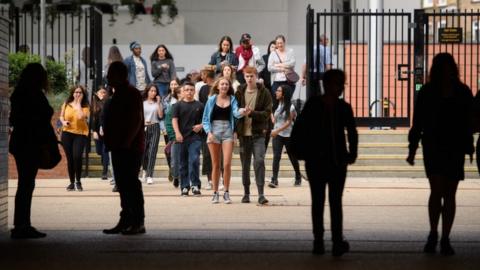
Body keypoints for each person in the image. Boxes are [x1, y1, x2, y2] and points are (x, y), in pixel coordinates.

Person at [406, 53, 474, 256]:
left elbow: (468, 121)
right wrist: (413, 147)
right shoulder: (458, 91)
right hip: (438, 146)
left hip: (446, 146)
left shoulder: (434, 92)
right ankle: (438, 235)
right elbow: (418, 122)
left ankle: (440, 235)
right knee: (440, 191)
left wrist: (413, 147)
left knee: (446, 192)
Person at [291, 69, 358, 256]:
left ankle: (329, 242)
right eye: (338, 83)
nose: (340, 88)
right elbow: (300, 128)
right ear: (327, 85)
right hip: (325, 161)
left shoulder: (335, 106)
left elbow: (352, 132)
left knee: (329, 201)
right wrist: (351, 153)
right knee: (324, 201)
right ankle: (322, 241)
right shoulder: (324, 105)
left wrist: (352, 153)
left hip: (329, 161)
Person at [102, 61, 146, 235]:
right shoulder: (117, 94)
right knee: (122, 184)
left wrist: (127, 141)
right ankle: (125, 219)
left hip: (130, 147)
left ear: (121, 75)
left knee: (131, 184)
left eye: (111, 73)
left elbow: (136, 120)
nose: (108, 77)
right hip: (118, 146)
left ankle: (138, 221)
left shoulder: (131, 93)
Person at [9, 63, 51, 239]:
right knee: (26, 184)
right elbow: (44, 113)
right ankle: (22, 225)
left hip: (21, 143)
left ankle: (22, 224)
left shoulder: (18, 93)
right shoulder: (34, 94)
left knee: (25, 184)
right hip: (30, 143)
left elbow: (14, 118)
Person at [202, 77, 245, 204]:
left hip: (227, 131)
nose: (224, 86)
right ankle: (215, 193)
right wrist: (208, 132)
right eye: (222, 84)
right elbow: (205, 119)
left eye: (227, 84)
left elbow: (236, 113)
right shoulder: (211, 99)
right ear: (217, 86)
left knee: (226, 164)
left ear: (229, 87)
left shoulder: (232, 99)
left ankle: (226, 192)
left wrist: (243, 111)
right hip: (213, 131)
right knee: (216, 164)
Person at [234, 66, 272, 205]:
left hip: (258, 134)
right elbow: (234, 112)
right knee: (245, 165)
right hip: (243, 135)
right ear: (244, 77)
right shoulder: (239, 92)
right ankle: (246, 193)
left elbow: (267, 113)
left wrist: (252, 113)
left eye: (252, 76)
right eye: (247, 76)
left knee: (259, 161)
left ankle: (261, 194)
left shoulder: (264, 92)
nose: (249, 79)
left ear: (256, 76)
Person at [172, 82, 205, 197]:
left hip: (195, 138)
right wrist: (177, 133)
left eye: (191, 90)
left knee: (194, 160)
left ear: (194, 91)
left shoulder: (200, 105)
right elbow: (174, 120)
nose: (189, 92)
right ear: (183, 92)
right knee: (183, 163)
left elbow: (205, 120)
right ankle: (184, 186)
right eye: (187, 90)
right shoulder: (177, 105)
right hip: (181, 138)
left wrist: (200, 126)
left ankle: (195, 185)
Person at [268, 84, 302, 188]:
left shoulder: (290, 107)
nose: (276, 92)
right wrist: (271, 114)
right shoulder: (277, 105)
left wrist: (276, 131)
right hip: (278, 135)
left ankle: (298, 175)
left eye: (278, 91)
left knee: (292, 157)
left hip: (288, 135)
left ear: (284, 94)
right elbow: (275, 120)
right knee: (276, 156)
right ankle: (274, 179)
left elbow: (288, 122)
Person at [59, 85, 90, 192]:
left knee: (77, 156)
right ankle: (72, 182)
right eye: (76, 92)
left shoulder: (85, 106)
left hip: (80, 134)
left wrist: (78, 104)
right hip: (67, 133)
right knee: (70, 158)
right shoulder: (66, 104)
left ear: (83, 94)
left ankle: (78, 181)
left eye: (80, 92)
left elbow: (81, 117)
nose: (77, 94)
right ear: (72, 93)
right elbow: (61, 116)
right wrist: (63, 122)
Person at [141, 84, 163, 185]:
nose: (153, 93)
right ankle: (144, 170)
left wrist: (158, 102)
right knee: (144, 151)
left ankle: (150, 175)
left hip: (155, 127)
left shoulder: (157, 103)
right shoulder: (142, 102)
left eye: (155, 91)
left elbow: (160, 115)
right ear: (147, 91)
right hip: (143, 128)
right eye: (151, 91)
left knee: (152, 151)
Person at [198, 69, 216, 189]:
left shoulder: (214, 88)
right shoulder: (203, 88)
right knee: (207, 153)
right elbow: (200, 106)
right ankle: (210, 180)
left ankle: (216, 179)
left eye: (203, 74)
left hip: (215, 123)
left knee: (215, 153)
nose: (201, 76)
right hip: (206, 125)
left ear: (207, 76)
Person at [268, 35, 296, 100]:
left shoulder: (290, 51)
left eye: (281, 43)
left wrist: (278, 64)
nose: (279, 45)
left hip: (288, 80)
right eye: (278, 43)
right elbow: (269, 67)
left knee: (287, 100)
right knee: (276, 100)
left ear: (284, 42)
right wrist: (281, 69)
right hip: (276, 81)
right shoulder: (273, 53)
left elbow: (292, 63)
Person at [165, 85, 183, 188]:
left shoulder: (192, 105)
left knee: (187, 160)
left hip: (188, 138)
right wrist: (173, 136)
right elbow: (168, 123)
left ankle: (184, 179)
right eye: (180, 92)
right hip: (175, 139)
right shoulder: (173, 108)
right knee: (175, 161)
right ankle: (176, 176)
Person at [91, 87, 111, 180]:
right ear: (96, 93)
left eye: (104, 92)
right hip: (97, 131)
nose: (103, 94)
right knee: (99, 151)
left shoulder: (107, 103)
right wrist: (94, 131)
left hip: (107, 131)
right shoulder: (94, 104)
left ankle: (104, 172)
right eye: (101, 92)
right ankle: (105, 163)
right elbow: (92, 120)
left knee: (105, 151)